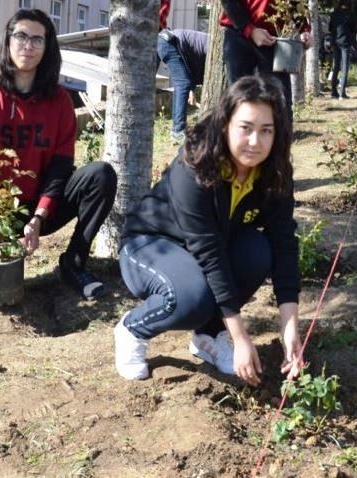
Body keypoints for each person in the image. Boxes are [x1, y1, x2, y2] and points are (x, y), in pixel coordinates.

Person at [114, 76, 303, 385]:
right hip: (151, 244)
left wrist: (290, 326)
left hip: (210, 246)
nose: (255, 142)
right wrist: (240, 337)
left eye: (266, 130)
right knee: (191, 297)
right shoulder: (197, 164)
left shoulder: (274, 172)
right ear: (225, 123)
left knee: (259, 251)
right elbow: (209, 251)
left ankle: (208, 335)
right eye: (246, 128)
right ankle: (133, 328)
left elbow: (284, 242)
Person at [0, 9, 116, 300]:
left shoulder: (60, 102)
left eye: (37, 39)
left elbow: (60, 170)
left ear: (47, 48)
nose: (28, 45)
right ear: (8, 42)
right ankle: (3, 261)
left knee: (101, 176)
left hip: (43, 207)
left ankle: (74, 262)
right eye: (21, 36)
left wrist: (39, 217)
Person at [220, 0, 312, 109]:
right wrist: (250, 29)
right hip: (239, 36)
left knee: (280, 102)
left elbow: (294, 2)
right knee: (239, 99)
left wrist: (304, 29)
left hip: (273, 39)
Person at [157, 29, 208, 143]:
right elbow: (190, 73)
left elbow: (191, 66)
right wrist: (189, 87)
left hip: (167, 43)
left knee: (182, 84)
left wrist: (192, 90)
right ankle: (178, 131)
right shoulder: (216, 49)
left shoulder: (208, 48)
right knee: (182, 84)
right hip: (168, 42)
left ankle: (176, 130)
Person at [329, 0, 354, 100]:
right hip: (345, 43)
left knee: (336, 68)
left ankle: (333, 92)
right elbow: (353, 29)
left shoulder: (334, 14)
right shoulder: (349, 15)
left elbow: (330, 28)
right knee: (345, 69)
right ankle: (342, 93)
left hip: (335, 42)